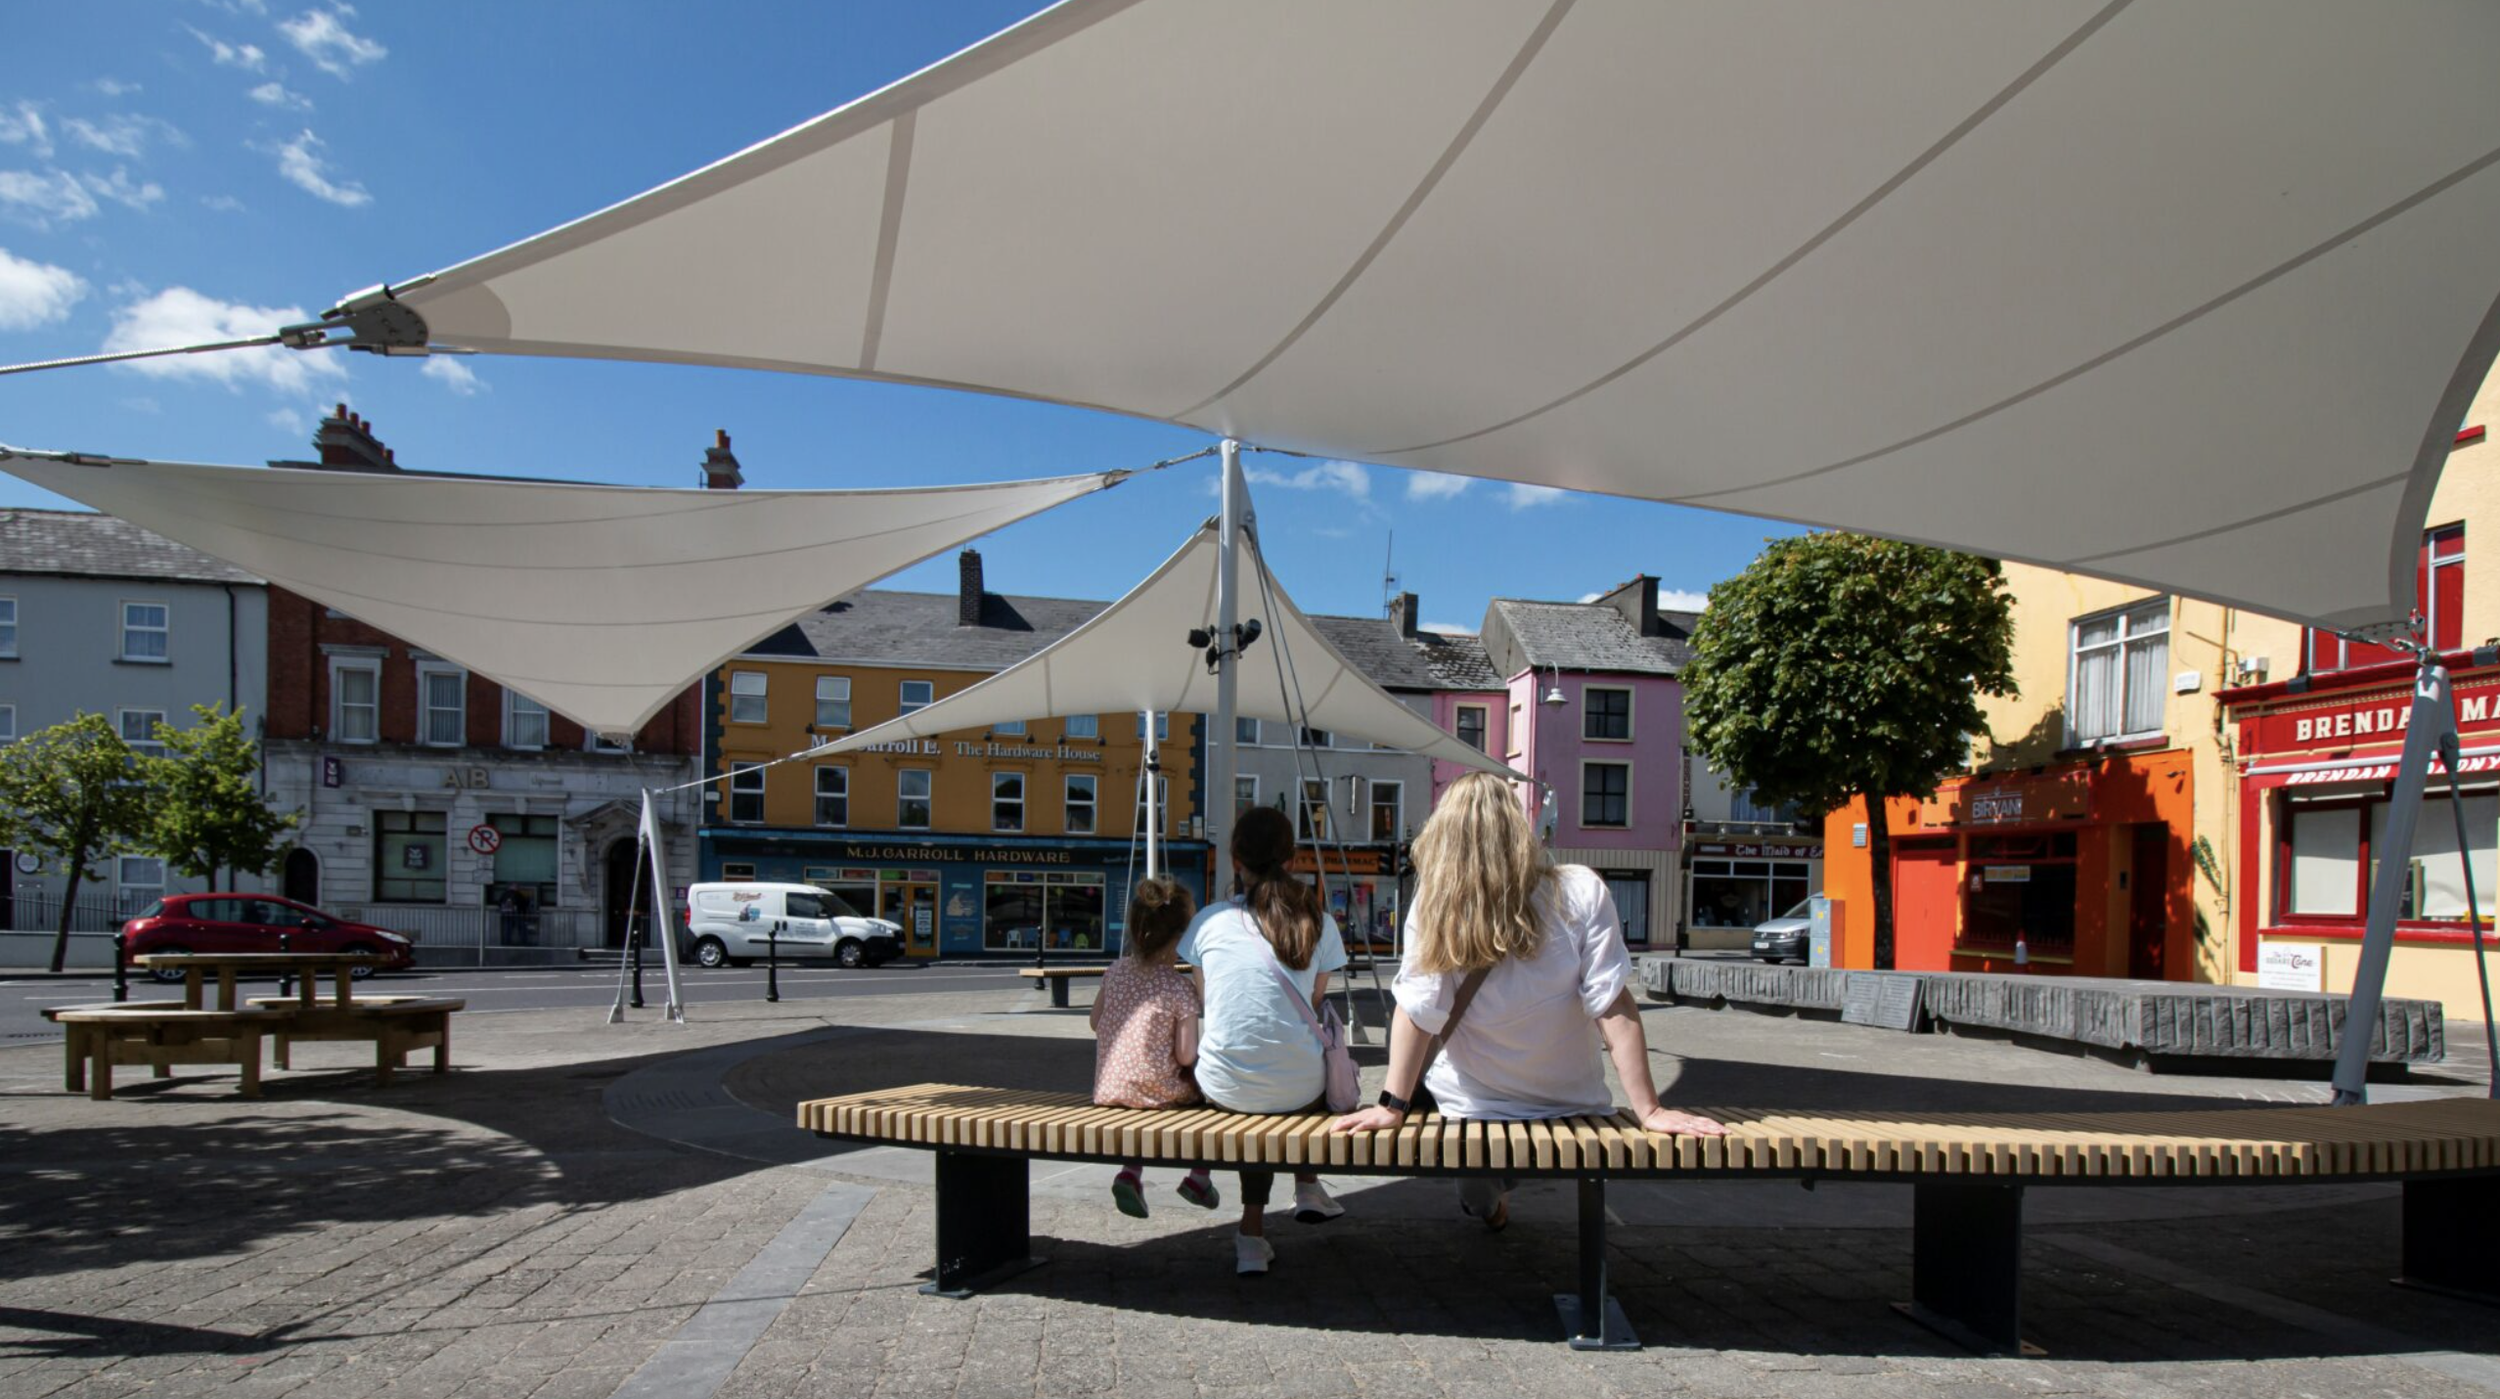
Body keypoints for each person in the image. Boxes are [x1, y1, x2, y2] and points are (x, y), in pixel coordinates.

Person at [1332, 771, 1723, 1229]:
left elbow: (1418, 1010)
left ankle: (1492, 1202)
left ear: (1443, 835)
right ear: (1519, 829)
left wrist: (1391, 1107)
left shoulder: (1435, 902)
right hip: (1571, 1099)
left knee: (1476, 1189)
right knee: (1483, 1178)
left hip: (1471, 1105)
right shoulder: (1579, 889)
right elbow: (1612, 1004)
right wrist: (1649, 1110)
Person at [1177, 806, 1350, 1275]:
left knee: (1252, 1090)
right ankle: (1307, 1185)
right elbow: (1313, 1004)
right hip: (1300, 1090)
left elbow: (1207, 1002)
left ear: (1236, 860)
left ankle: (1252, 1235)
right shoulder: (1319, 922)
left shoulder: (1209, 922)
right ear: (1292, 860)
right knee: (1290, 1073)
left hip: (1224, 1086)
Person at [1090, 875, 1219, 1217]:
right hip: (1158, 1094)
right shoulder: (1179, 988)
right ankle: (1199, 1176)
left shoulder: (1115, 971)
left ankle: (1130, 1172)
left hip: (1110, 1088)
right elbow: (1186, 1055)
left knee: (1139, 1101)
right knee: (1211, 1098)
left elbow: (1095, 1022)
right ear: (1181, 938)